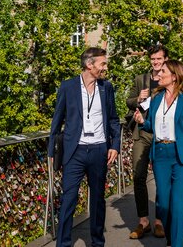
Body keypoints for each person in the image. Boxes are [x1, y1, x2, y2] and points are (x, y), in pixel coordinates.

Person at [48, 47, 121, 247]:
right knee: (68, 199)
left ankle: (98, 242)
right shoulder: (68, 87)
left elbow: (114, 120)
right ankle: (63, 244)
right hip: (74, 152)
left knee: (98, 199)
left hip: (99, 151)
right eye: (102, 64)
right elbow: (57, 121)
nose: (105, 67)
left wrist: (115, 145)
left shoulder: (106, 87)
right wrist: (51, 151)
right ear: (90, 65)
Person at [134, 60, 183, 247]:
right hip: (160, 155)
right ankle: (171, 237)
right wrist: (143, 121)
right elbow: (152, 125)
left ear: (174, 76)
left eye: (163, 71)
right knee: (163, 205)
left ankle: (176, 243)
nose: (158, 74)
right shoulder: (157, 98)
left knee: (179, 204)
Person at [124, 44, 166, 239]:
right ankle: (144, 220)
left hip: (161, 134)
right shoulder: (141, 79)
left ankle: (159, 221)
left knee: (160, 178)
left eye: (159, 59)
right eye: (153, 59)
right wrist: (138, 99)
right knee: (138, 176)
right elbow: (129, 101)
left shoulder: (169, 79)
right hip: (141, 133)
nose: (156, 62)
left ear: (165, 59)